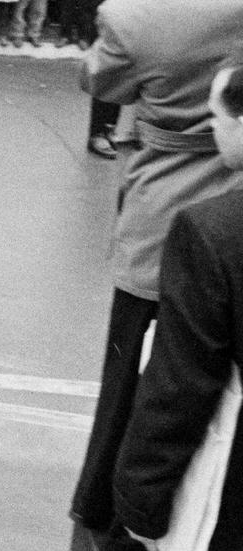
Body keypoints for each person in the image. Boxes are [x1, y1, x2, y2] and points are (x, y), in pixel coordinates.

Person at [71, 0, 243, 550]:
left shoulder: (136, 11)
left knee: (130, 395)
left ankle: (105, 517)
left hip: (163, 217)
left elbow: (100, 77)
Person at [112, 43, 243, 551]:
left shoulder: (213, 234)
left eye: (217, 116)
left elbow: (179, 389)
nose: (213, 128)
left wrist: (140, 506)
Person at [87, 0, 165, 159]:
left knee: (145, 83)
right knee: (111, 82)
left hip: (147, 31)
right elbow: (100, 1)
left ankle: (136, 132)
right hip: (119, 32)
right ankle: (100, 132)